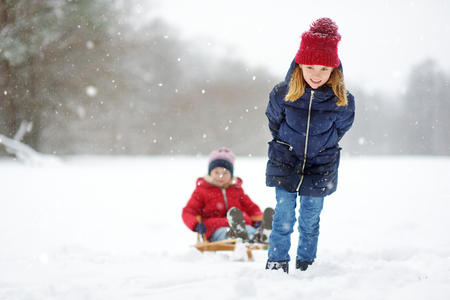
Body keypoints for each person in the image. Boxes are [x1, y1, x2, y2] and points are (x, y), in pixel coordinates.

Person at [264, 17, 355, 273]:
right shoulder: (282, 94)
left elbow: (340, 129)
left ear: (334, 71)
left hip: (320, 167)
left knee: (310, 220)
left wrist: (320, 147)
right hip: (285, 162)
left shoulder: (342, 101)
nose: (317, 74)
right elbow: (274, 123)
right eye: (311, 66)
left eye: (324, 69)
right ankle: (276, 264)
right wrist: (287, 145)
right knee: (282, 219)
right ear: (299, 65)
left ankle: (307, 265)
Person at [182, 147, 273, 243]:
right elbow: (188, 211)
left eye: (225, 173)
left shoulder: (237, 190)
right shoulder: (202, 191)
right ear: (210, 173)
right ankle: (235, 236)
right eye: (216, 172)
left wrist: (258, 220)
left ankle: (260, 234)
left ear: (231, 174)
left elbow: (252, 208)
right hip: (215, 228)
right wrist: (195, 225)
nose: (221, 176)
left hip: (241, 225)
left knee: (248, 229)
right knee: (225, 232)